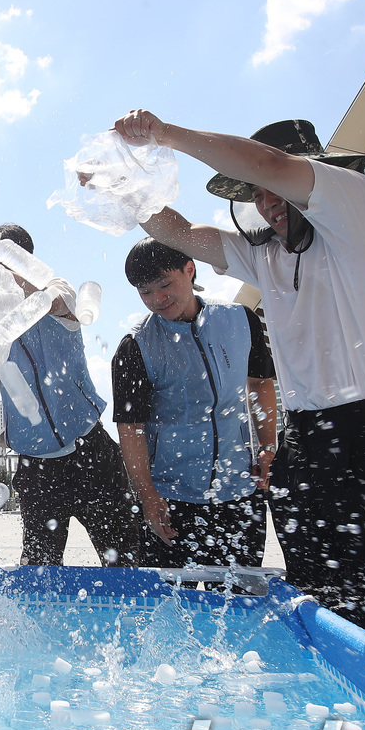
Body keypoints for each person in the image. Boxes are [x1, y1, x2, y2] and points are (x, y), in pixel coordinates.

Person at [112, 111, 365, 633]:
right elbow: (180, 232)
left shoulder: (361, 206)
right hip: (305, 437)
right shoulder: (266, 255)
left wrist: (164, 134)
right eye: (256, 196)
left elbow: (270, 165)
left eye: (272, 192)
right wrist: (120, 181)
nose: (266, 203)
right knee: (315, 594)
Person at [0, 225, 142, 567]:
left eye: (3, 264)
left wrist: (2, 275)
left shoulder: (57, 288)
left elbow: (56, 303)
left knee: (126, 560)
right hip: (36, 466)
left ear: (26, 261)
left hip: (90, 453)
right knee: (39, 568)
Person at [112, 238, 278, 569]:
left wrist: (267, 445)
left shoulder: (240, 320)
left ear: (189, 270)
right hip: (171, 497)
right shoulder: (135, 346)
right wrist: (147, 495)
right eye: (145, 292)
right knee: (171, 599)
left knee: (241, 596)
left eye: (165, 285)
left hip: (239, 491)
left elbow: (260, 383)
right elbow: (131, 428)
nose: (157, 299)